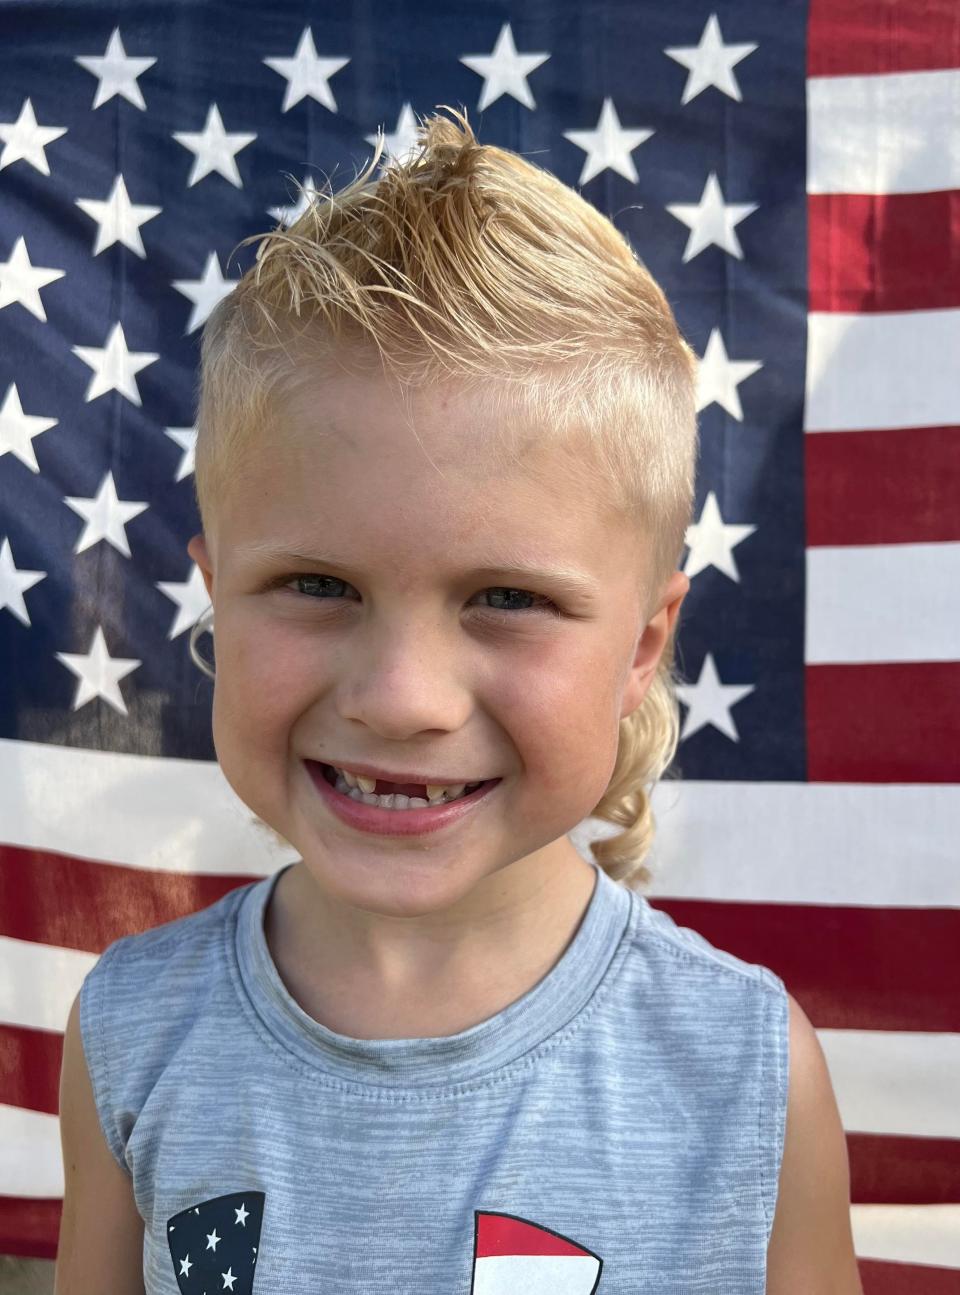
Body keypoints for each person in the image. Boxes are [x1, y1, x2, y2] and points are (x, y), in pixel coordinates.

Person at [55, 107, 861, 1294]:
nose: (401, 697)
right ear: (216, 599)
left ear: (643, 646)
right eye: (317, 584)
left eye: (508, 598)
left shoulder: (747, 1071)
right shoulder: (131, 1028)